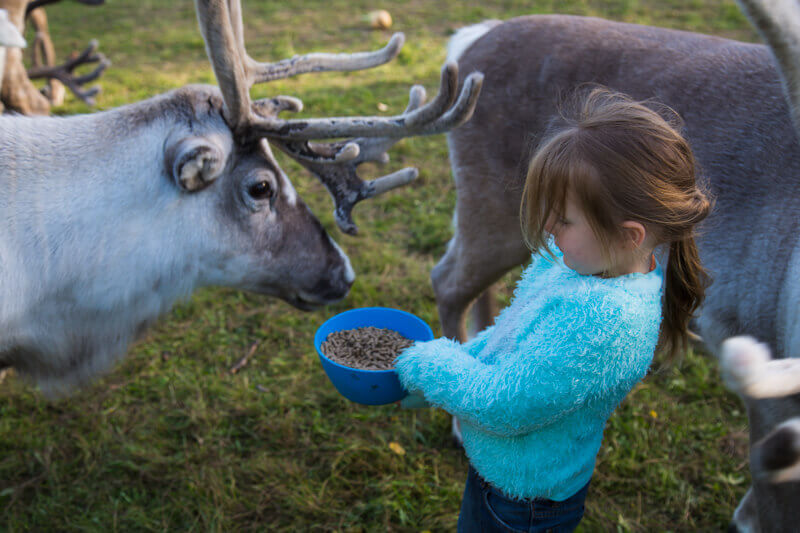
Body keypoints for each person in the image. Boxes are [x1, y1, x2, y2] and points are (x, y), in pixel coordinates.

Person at [393, 87, 713, 532]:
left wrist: (427, 364)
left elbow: (503, 404)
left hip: (525, 504)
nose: (548, 228)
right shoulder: (585, 267)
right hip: (500, 472)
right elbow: (512, 337)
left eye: (564, 219)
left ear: (630, 236)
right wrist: (451, 367)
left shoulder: (608, 323)